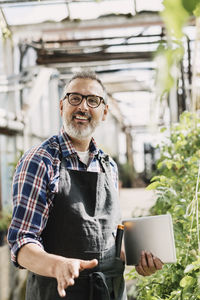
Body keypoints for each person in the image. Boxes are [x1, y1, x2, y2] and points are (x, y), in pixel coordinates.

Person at [7, 71, 163, 300]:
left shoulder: (108, 165)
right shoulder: (40, 161)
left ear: (104, 112)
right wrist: (56, 265)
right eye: (75, 98)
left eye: (93, 100)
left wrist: (138, 257)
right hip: (58, 293)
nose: (83, 107)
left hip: (110, 292)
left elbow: (109, 236)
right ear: (61, 106)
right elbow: (21, 242)